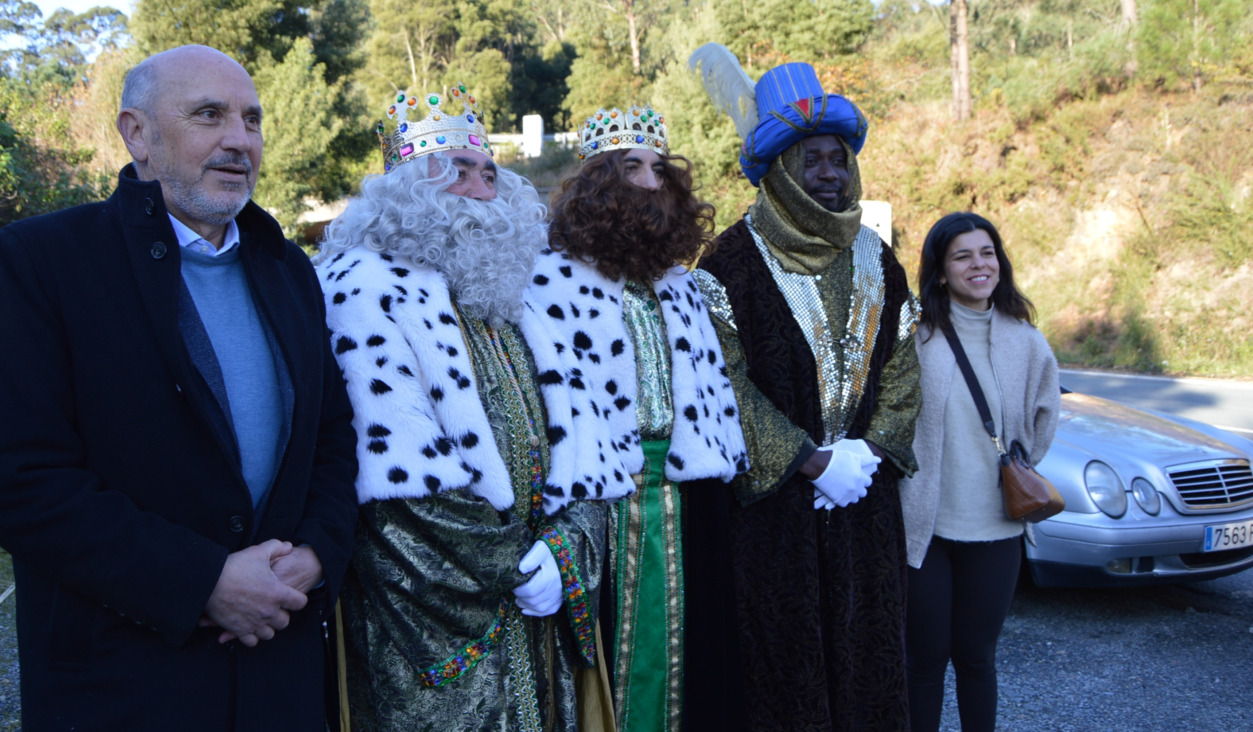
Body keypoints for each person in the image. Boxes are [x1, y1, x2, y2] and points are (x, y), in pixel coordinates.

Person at [0, 45, 359, 731]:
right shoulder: (39, 262)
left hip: (278, 681)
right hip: (123, 688)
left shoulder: (289, 269)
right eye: (208, 115)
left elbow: (333, 440)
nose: (238, 140)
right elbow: (22, 479)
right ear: (137, 134)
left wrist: (316, 553)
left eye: (252, 121)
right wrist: (201, 583)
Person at [315, 86, 629, 732]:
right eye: (456, 172)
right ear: (403, 192)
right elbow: (398, 500)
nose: (482, 189)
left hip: (539, 611)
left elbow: (587, 459)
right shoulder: (361, 292)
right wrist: (511, 566)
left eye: (489, 172)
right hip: (437, 634)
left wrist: (564, 552)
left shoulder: (516, 303)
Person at [683, 45, 923, 730]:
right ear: (779, 168)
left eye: (836, 158)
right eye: (809, 159)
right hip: (775, 515)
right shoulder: (729, 263)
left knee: (869, 660)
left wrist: (869, 454)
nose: (827, 173)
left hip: (864, 504)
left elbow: (904, 362)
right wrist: (809, 460)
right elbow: (719, 382)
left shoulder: (879, 258)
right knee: (783, 671)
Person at [531, 104, 749, 732]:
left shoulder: (683, 283)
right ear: (600, 181)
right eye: (633, 167)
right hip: (602, 501)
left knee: (697, 662)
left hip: (690, 497)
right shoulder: (548, 280)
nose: (652, 182)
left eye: (660, 170)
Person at [898, 212, 1059, 732]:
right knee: (924, 663)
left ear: (1000, 261)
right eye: (962, 255)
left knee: (977, 658)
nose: (978, 264)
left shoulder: (1026, 341)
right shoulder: (916, 338)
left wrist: (1019, 460)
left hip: (997, 528)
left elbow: (1044, 414)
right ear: (941, 272)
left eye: (986, 252)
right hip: (927, 529)